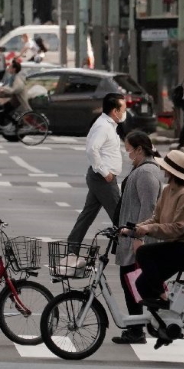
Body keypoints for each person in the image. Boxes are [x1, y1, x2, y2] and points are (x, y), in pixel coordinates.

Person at [123, 150, 184, 306]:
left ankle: (165, 298)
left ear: (172, 171)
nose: (162, 170)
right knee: (142, 285)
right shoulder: (168, 190)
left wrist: (148, 229)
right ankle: (164, 322)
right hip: (178, 244)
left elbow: (177, 228)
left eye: (165, 168)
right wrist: (134, 229)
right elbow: (156, 218)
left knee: (144, 252)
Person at [112, 131, 164, 344]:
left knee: (133, 283)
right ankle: (141, 327)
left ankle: (138, 329)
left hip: (138, 238)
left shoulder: (146, 172)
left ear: (140, 149)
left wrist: (138, 236)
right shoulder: (141, 169)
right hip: (131, 235)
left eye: (129, 150)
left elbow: (149, 206)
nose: (128, 154)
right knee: (133, 283)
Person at [65, 94, 125, 251]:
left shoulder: (108, 125)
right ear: (115, 111)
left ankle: (73, 245)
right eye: (123, 109)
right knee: (119, 214)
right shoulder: (103, 126)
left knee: (88, 214)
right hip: (102, 178)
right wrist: (105, 173)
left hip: (100, 177)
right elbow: (92, 150)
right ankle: (128, 249)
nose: (124, 112)